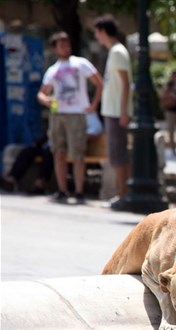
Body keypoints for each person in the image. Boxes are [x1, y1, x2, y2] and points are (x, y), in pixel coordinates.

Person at [37, 31, 103, 205]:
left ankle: (79, 191)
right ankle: (62, 189)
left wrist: (94, 104)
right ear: (55, 48)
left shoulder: (81, 63)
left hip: (76, 113)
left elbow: (99, 83)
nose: (65, 47)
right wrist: (47, 101)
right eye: (61, 44)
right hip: (58, 114)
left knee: (78, 153)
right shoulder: (53, 70)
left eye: (67, 43)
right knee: (58, 151)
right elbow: (41, 94)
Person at [93, 14, 133, 210]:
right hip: (114, 110)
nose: (96, 37)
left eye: (97, 33)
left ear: (102, 31)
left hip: (117, 111)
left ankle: (123, 195)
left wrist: (124, 111)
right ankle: (123, 194)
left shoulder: (117, 52)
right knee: (117, 155)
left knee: (118, 155)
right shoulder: (115, 52)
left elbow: (126, 83)